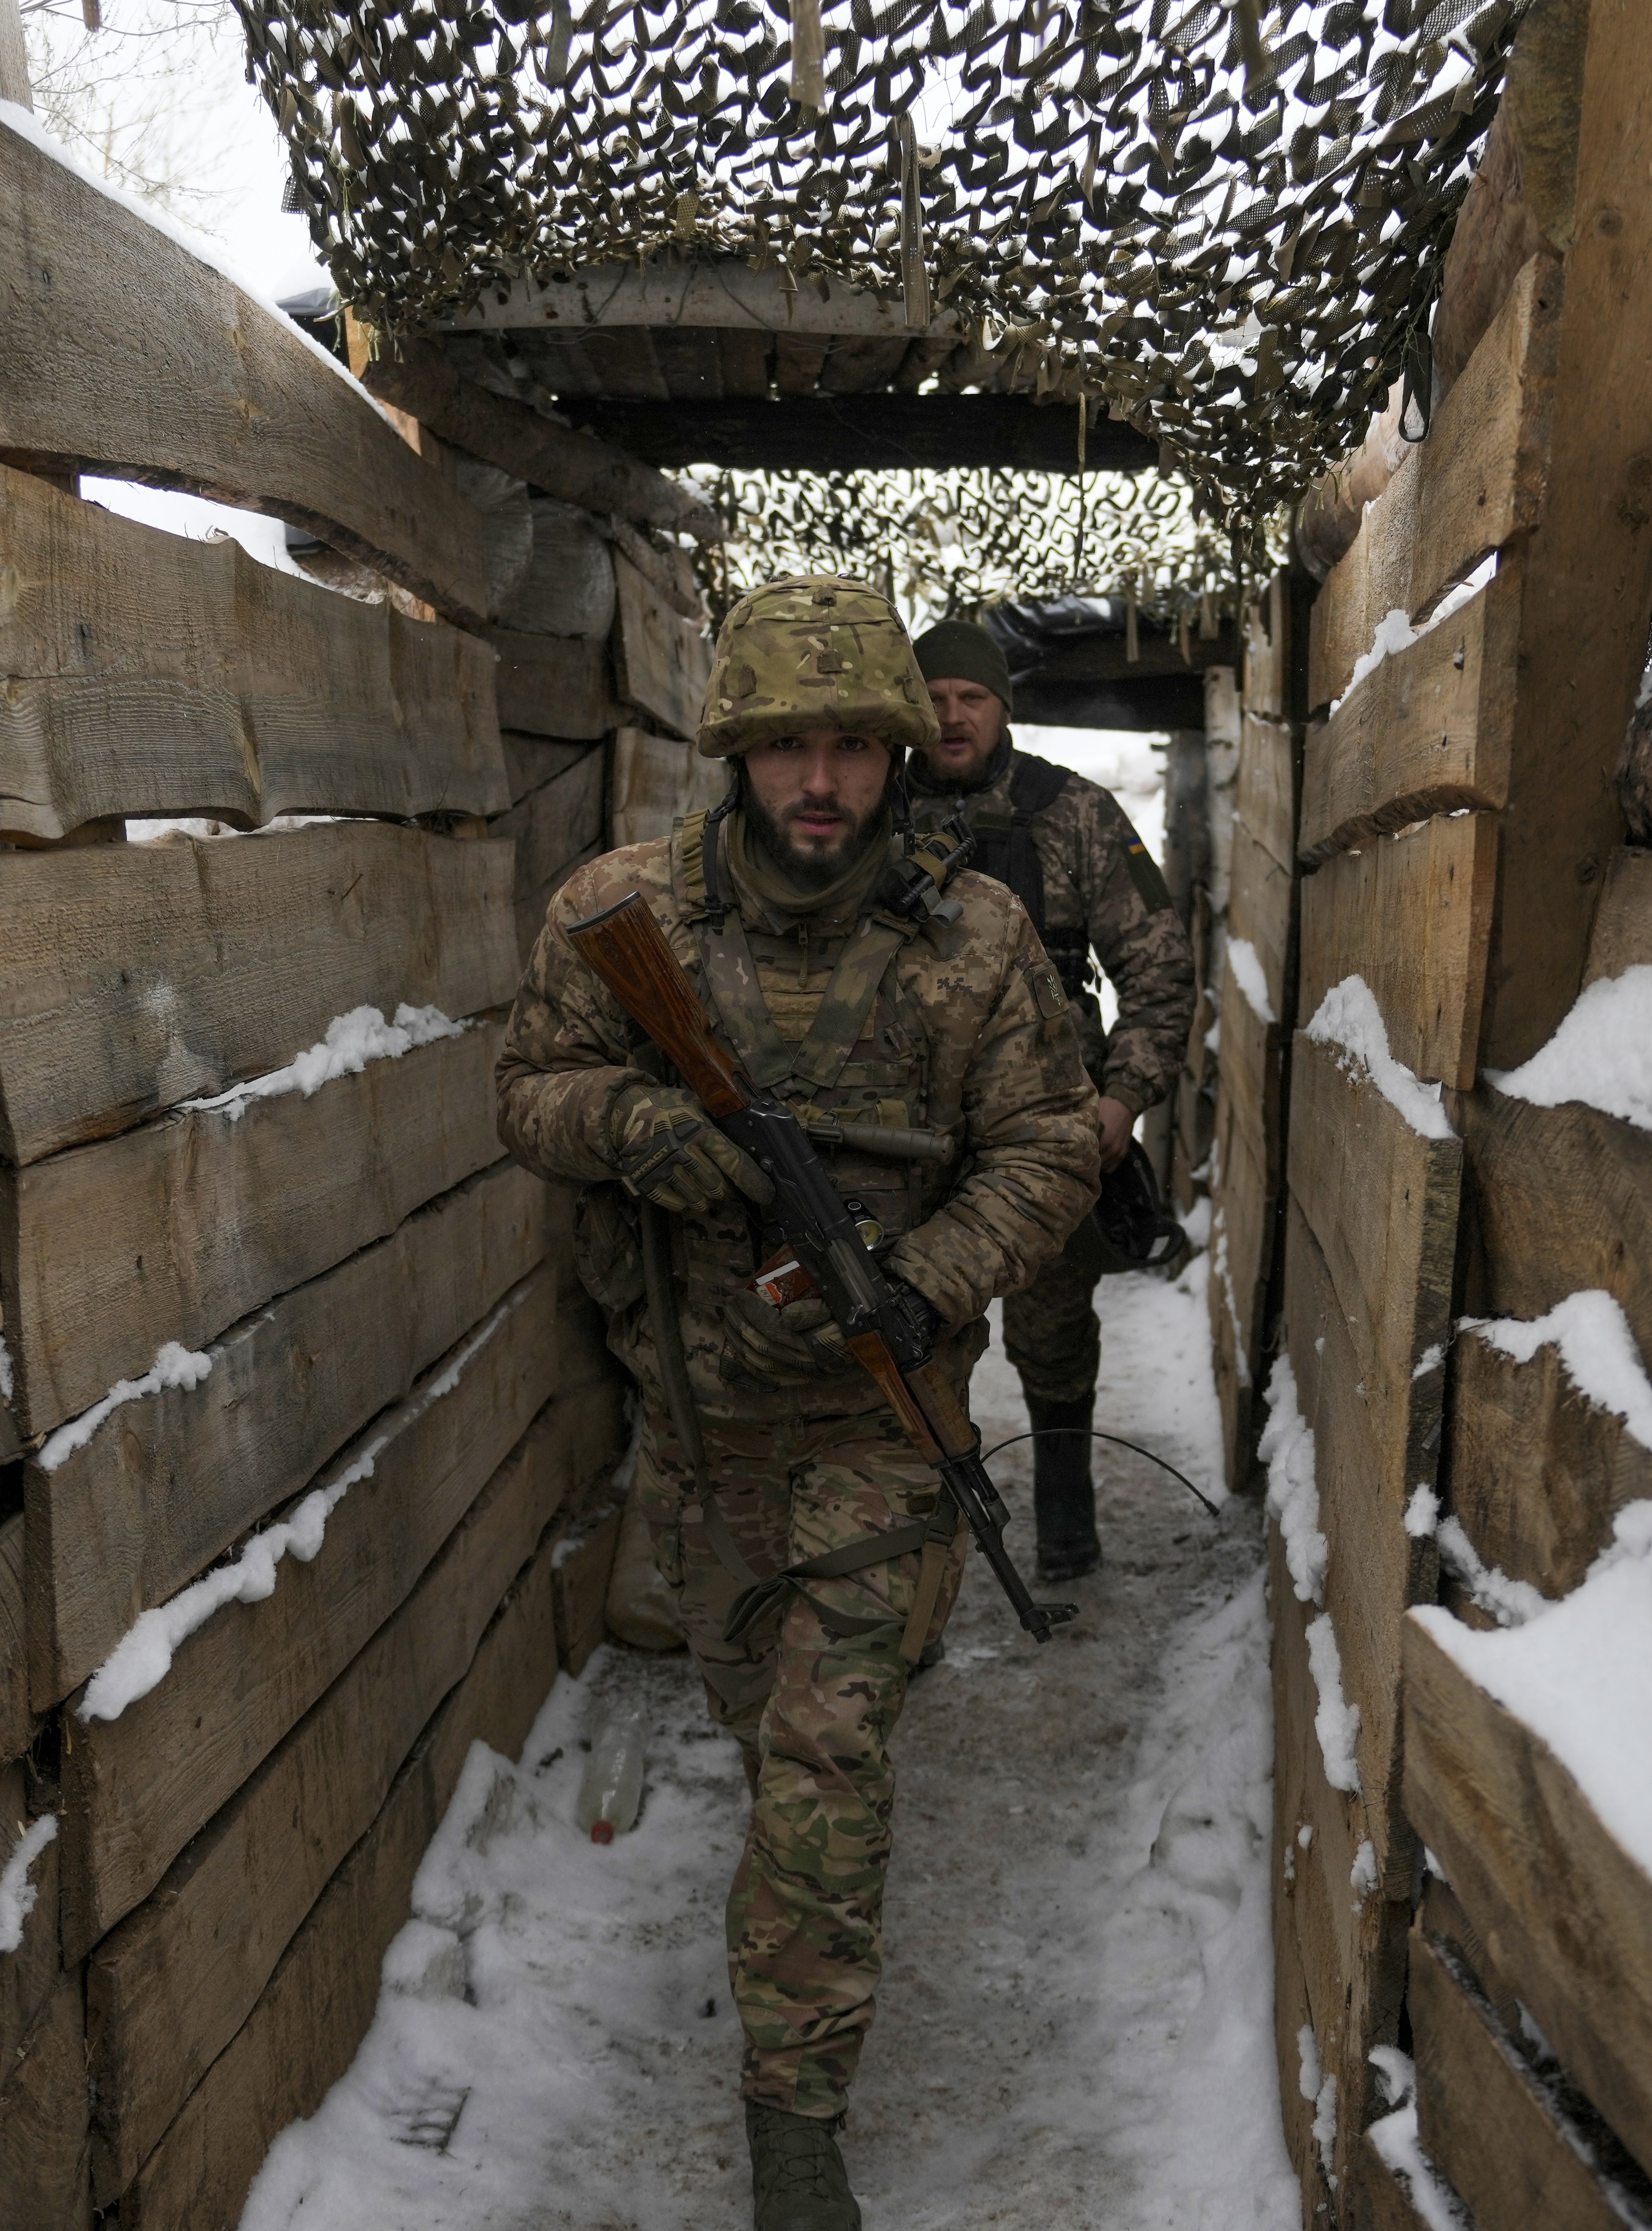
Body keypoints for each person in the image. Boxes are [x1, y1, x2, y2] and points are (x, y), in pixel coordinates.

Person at [494, 575, 1100, 2231]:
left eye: (852, 746)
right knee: (760, 1735)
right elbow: (526, 1091)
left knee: (831, 1769)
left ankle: (794, 2132)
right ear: (735, 754)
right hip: (696, 1434)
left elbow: (1053, 1143)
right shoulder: (626, 917)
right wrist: (642, 1131)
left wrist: (921, 1280)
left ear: (903, 754)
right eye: (786, 749)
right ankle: (797, 1967)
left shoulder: (970, 944)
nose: (820, 782)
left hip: (876, 1429)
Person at [905, 615, 1198, 1582]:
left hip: (1044, 1130)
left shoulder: (1075, 814)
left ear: (1004, 707)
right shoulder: (869, 810)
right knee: (909, 1340)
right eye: (934, 699)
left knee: (1054, 1336)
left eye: (971, 699)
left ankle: (1065, 1522)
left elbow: (1159, 973)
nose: (951, 717)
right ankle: (906, 1563)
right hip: (900, 1136)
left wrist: (1121, 1102)